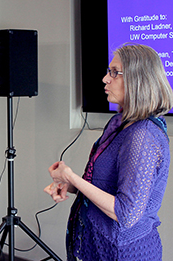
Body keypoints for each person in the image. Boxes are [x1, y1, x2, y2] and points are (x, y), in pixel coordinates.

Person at [44, 43, 173, 261]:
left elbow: (126, 213)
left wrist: (71, 176)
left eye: (115, 73)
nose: (106, 79)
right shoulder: (120, 123)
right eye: (108, 71)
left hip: (124, 253)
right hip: (97, 245)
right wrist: (71, 186)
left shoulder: (143, 136)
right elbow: (108, 187)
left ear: (137, 79)